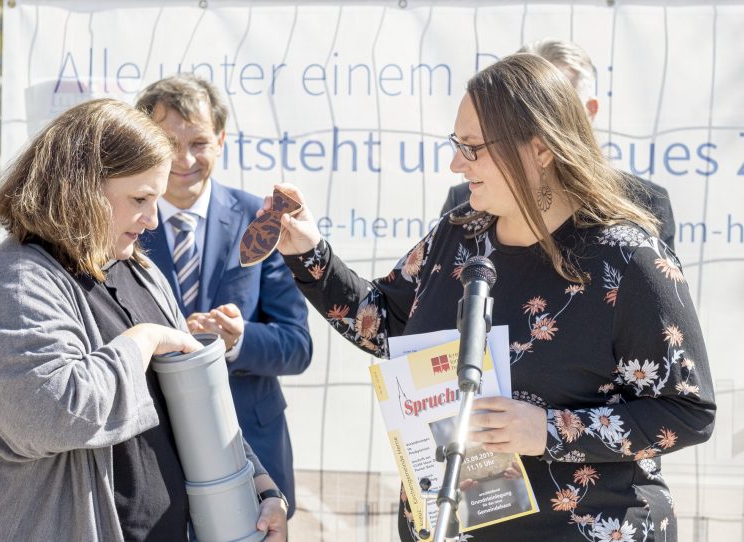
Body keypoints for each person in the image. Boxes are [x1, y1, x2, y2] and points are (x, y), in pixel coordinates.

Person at [265, 54, 715, 541]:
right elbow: (385, 326)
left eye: (473, 148)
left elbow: (687, 410)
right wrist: (309, 252)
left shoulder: (626, 259)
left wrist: (547, 429)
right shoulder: (459, 234)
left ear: (540, 149)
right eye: (457, 145)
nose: (456, 163)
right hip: (451, 524)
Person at [0, 98, 287, 541]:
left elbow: (195, 404)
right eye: (140, 198)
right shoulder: (13, 282)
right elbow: (53, 412)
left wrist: (259, 485)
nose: (153, 219)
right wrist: (143, 341)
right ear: (82, 188)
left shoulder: (139, 270)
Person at [136, 74, 312, 518]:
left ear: (221, 140)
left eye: (198, 142)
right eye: (168, 143)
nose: (184, 159)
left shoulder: (263, 219)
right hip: (156, 451)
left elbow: (297, 345)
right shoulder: (123, 225)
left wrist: (237, 341)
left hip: (250, 449)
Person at [440, 38, 677, 250]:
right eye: (529, 104)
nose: (545, 119)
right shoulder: (463, 209)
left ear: (588, 110)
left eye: (558, 102)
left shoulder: (641, 216)